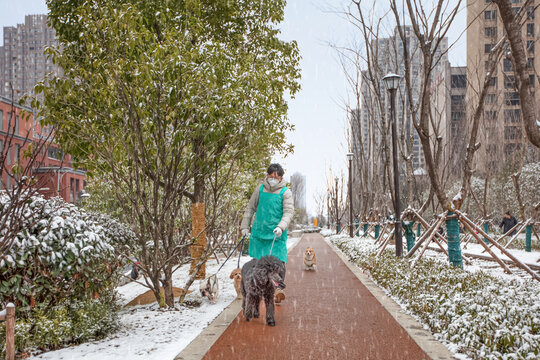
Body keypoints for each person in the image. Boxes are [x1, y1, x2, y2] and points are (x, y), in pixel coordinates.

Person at [241, 163, 294, 303]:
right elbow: (250, 208)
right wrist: (244, 226)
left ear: (281, 178)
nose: (272, 179)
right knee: (258, 263)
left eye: (275, 177)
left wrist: (281, 227)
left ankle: (277, 289)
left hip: (276, 235)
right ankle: (256, 289)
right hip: (259, 233)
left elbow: (288, 212)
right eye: (270, 176)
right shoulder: (260, 189)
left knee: (278, 264)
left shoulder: (285, 192)